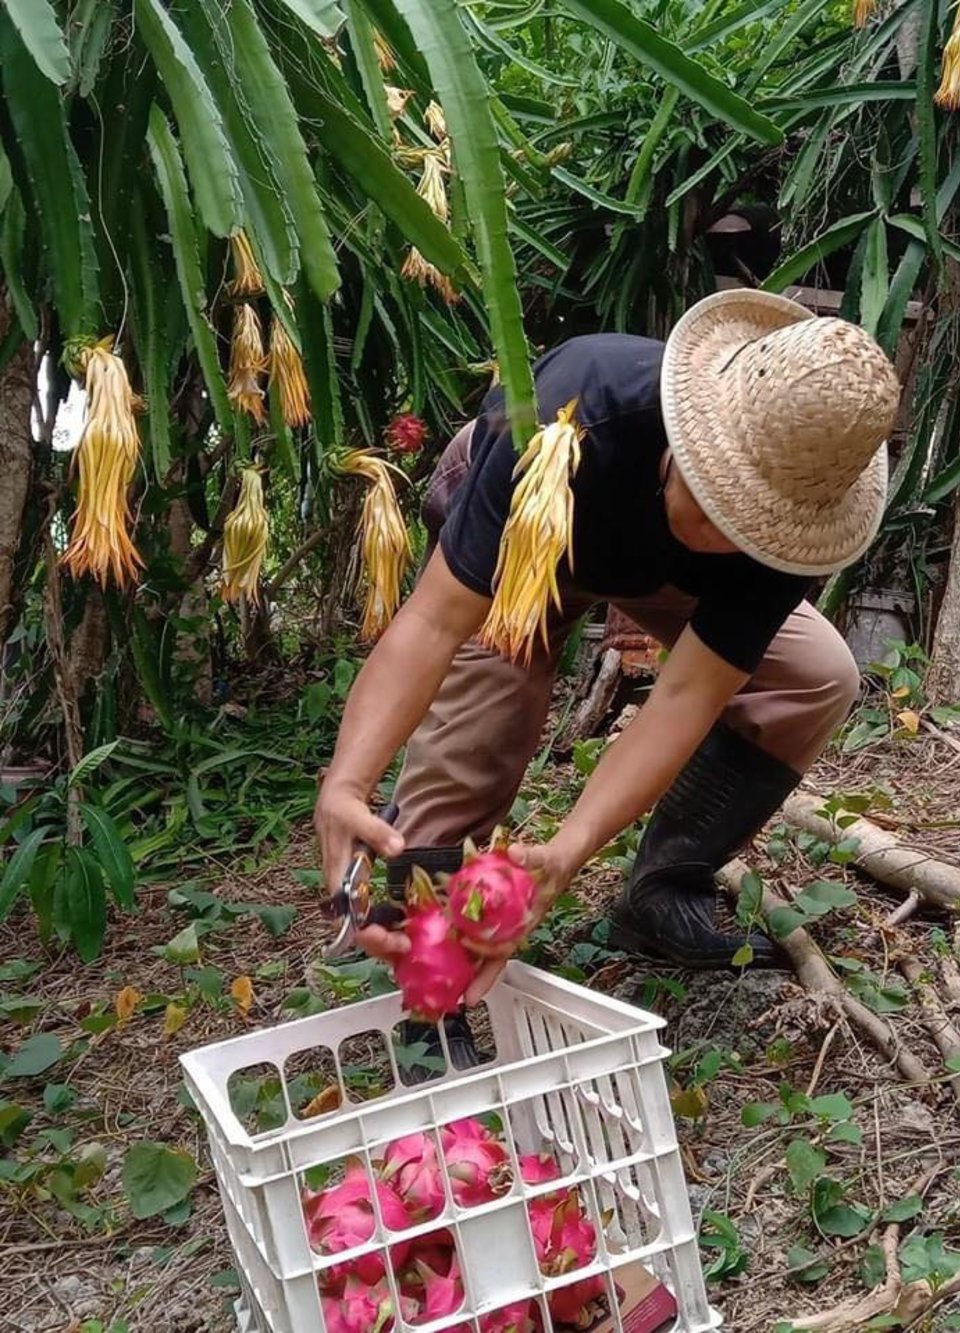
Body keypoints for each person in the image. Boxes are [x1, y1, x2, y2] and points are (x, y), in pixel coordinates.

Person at [314, 289, 900, 1065]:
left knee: (817, 674)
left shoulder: (792, 522)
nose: (730, 532)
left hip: (646, 565)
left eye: (751, 522)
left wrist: (568, 850)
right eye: (719, 497)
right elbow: (433, 622)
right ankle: (419, 956)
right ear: (693, 432)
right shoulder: (576, 408)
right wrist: (347, 779)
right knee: (485, 733)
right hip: (529, 527)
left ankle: (663, 889)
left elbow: (688, 692)